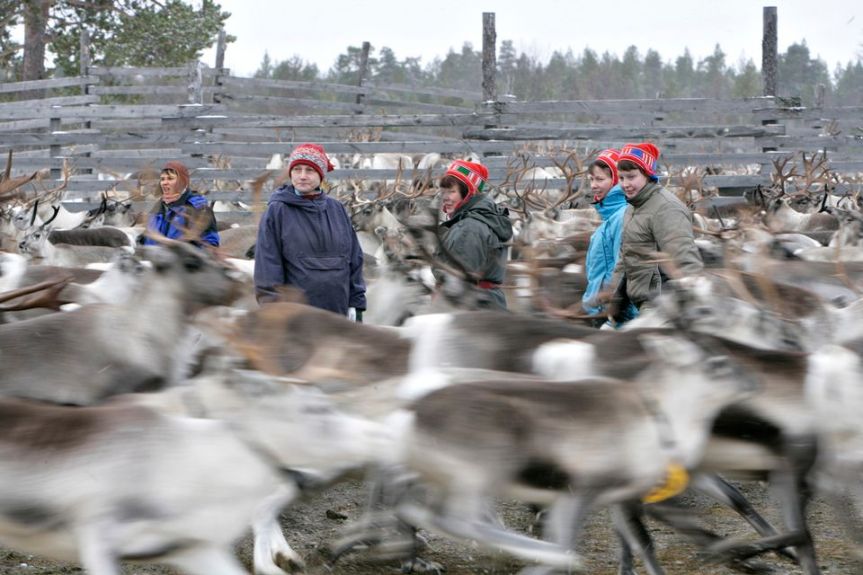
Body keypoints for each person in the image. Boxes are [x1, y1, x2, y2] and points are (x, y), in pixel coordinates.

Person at [254, 143, 366, 320]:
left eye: (310, 170)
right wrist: (273, 310)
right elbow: (267, 265)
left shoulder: (337, 209)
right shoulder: (277, 211)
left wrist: (356, 304)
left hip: (338, 312)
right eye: (297, 170)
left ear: (321, 175)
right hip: (298, 318)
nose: (302, 176)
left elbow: (354, 259)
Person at [608, 142, 703, 321]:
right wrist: (614, 294)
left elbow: (687, 266)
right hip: (638, 303)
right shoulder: (633, 207)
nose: (625, 184)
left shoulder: (667, 209)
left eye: (631, 177)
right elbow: (627, 256)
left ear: (647, 174)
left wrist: (672, 312)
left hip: (660, 308)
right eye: (621, 178)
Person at [438, 159, 513, 310]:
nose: (445, 198)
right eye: (443, 192)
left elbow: (460, 282)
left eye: (451, 191)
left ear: (468, 193)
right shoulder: (484, 219)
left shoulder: (469, 228)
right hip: (489, 305)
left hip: (474, 311)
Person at [581, 149, 638, 327]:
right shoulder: (609, 218)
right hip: (600, 311)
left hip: (615, 317)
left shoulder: (622, 217)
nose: (593, 185)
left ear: (615, 181)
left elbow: (623, 271)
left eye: (600, 179)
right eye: (591, 179)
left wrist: (614, 317)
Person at [141, 161, 220, 248]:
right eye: (162, 179)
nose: (164, 182)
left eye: (170, 178)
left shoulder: (197, 208)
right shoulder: (157, 209)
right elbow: (146, 239)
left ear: (182, 181)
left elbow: (210, 244)